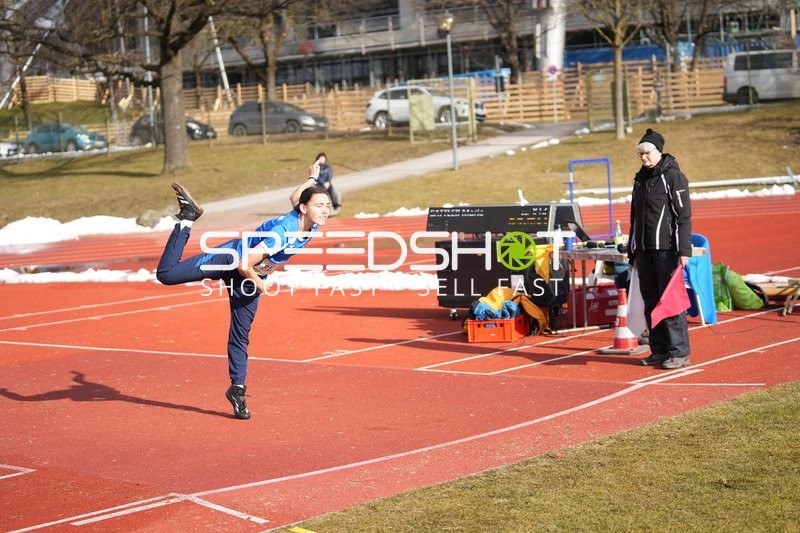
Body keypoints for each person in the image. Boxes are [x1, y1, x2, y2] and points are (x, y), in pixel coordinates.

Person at [156, 163, 331, 419]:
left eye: (327, 206)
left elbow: (296, 197)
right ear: (305, 209)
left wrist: (312, 177)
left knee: (240, 335)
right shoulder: (283, 234)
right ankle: (187, 218)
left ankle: (237, 390)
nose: (325, 211)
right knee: (167, 275)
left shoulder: (308, 221)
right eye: (320, 206)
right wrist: (259, 281)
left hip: (249, 274)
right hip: (232, 259)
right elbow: (244, 264)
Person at [628, 128, 692, 369]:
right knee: (651, 300)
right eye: (639, 153)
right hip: (644, 251)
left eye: (647, 152)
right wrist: (632, 252)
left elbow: (683, 216)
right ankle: (659, 350)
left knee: (670, 302)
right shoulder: (640, 180)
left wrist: (684, 250)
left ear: (659, 151)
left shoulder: (674, 177)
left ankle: (679, 353)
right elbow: (634, 218)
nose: (643, 157)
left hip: (667, 250)